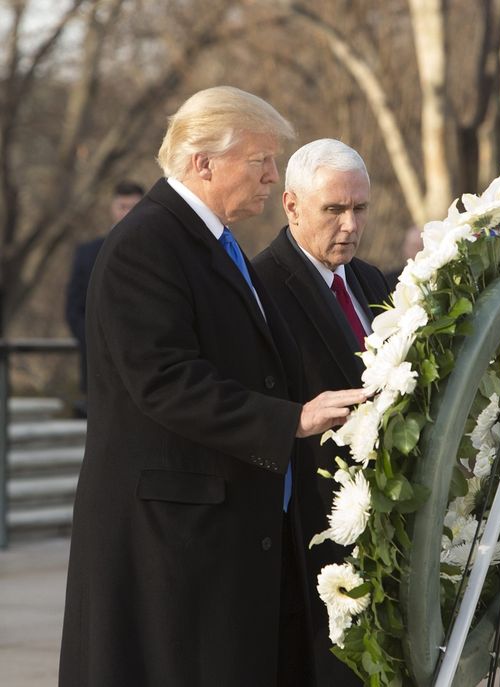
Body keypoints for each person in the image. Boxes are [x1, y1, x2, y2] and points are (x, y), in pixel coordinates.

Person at [59, 87, 366, 687]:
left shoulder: (214, 243)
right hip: (170, 540)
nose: (272, 178)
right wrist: (290, 421)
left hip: (218, 532)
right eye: (261, 163)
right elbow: (165, 380)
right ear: (203, 163)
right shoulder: (146, 245)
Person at [253, 138, 391, 686]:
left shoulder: (370, 280)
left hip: (378, 522)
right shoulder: (261, 285)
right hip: (308, 526)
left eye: (359, 209)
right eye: (334, 209)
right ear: (291, 205)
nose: (350, 225)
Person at [64, 180, 144, 417]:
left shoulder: (161, 251)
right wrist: (95, 340)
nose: (127, 213)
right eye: (122, 206)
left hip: (145, 365)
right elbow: (73, 307)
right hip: (97, 366)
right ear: (112, 207)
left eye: (133, 207)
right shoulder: (87, 253)